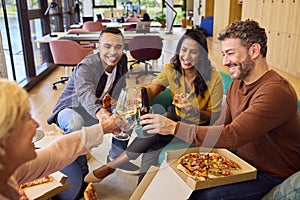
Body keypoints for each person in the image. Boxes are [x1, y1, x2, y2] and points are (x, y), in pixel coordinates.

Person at [139, 19, 300, 199]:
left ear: (254, 50)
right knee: (176, 176)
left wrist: (172, 127)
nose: (224, 62)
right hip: (241, 162)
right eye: (223, 54)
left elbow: (232, 135)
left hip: (271, 174)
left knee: (205, 195)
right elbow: (221, 125)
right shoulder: (237, 85)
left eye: (230, 53)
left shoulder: (275, 91)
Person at [84, 29, 224, 183]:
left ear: (202, 55)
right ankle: (140, 192)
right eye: (183, 50)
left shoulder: (213, 78)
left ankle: (112, 165)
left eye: (194, 52)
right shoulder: (172, 69)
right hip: (174, 114)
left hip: (197, 125)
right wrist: (139, 97)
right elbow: (154, 88)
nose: (187, 56)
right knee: (152, 138)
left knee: (152, 142)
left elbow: (215, 116)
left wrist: (194, 110)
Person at [47, 27, 140, 188]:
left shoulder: (122, 60)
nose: (113, 52)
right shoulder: (87, 65)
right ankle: (81, 179)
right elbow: (84, 92)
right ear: (98, 46)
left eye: (118, 47)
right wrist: (101, 112)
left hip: (97, 107)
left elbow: (120, 86)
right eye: (107, 46)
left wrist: (120, 103)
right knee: (76, 124)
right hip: (71, 108)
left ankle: (115, 159)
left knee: (128, 115)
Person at [0, 79, 122, 199]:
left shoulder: (11, 167)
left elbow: (57, 152)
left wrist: (105, 128)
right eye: (26, 118)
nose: (36, 124)